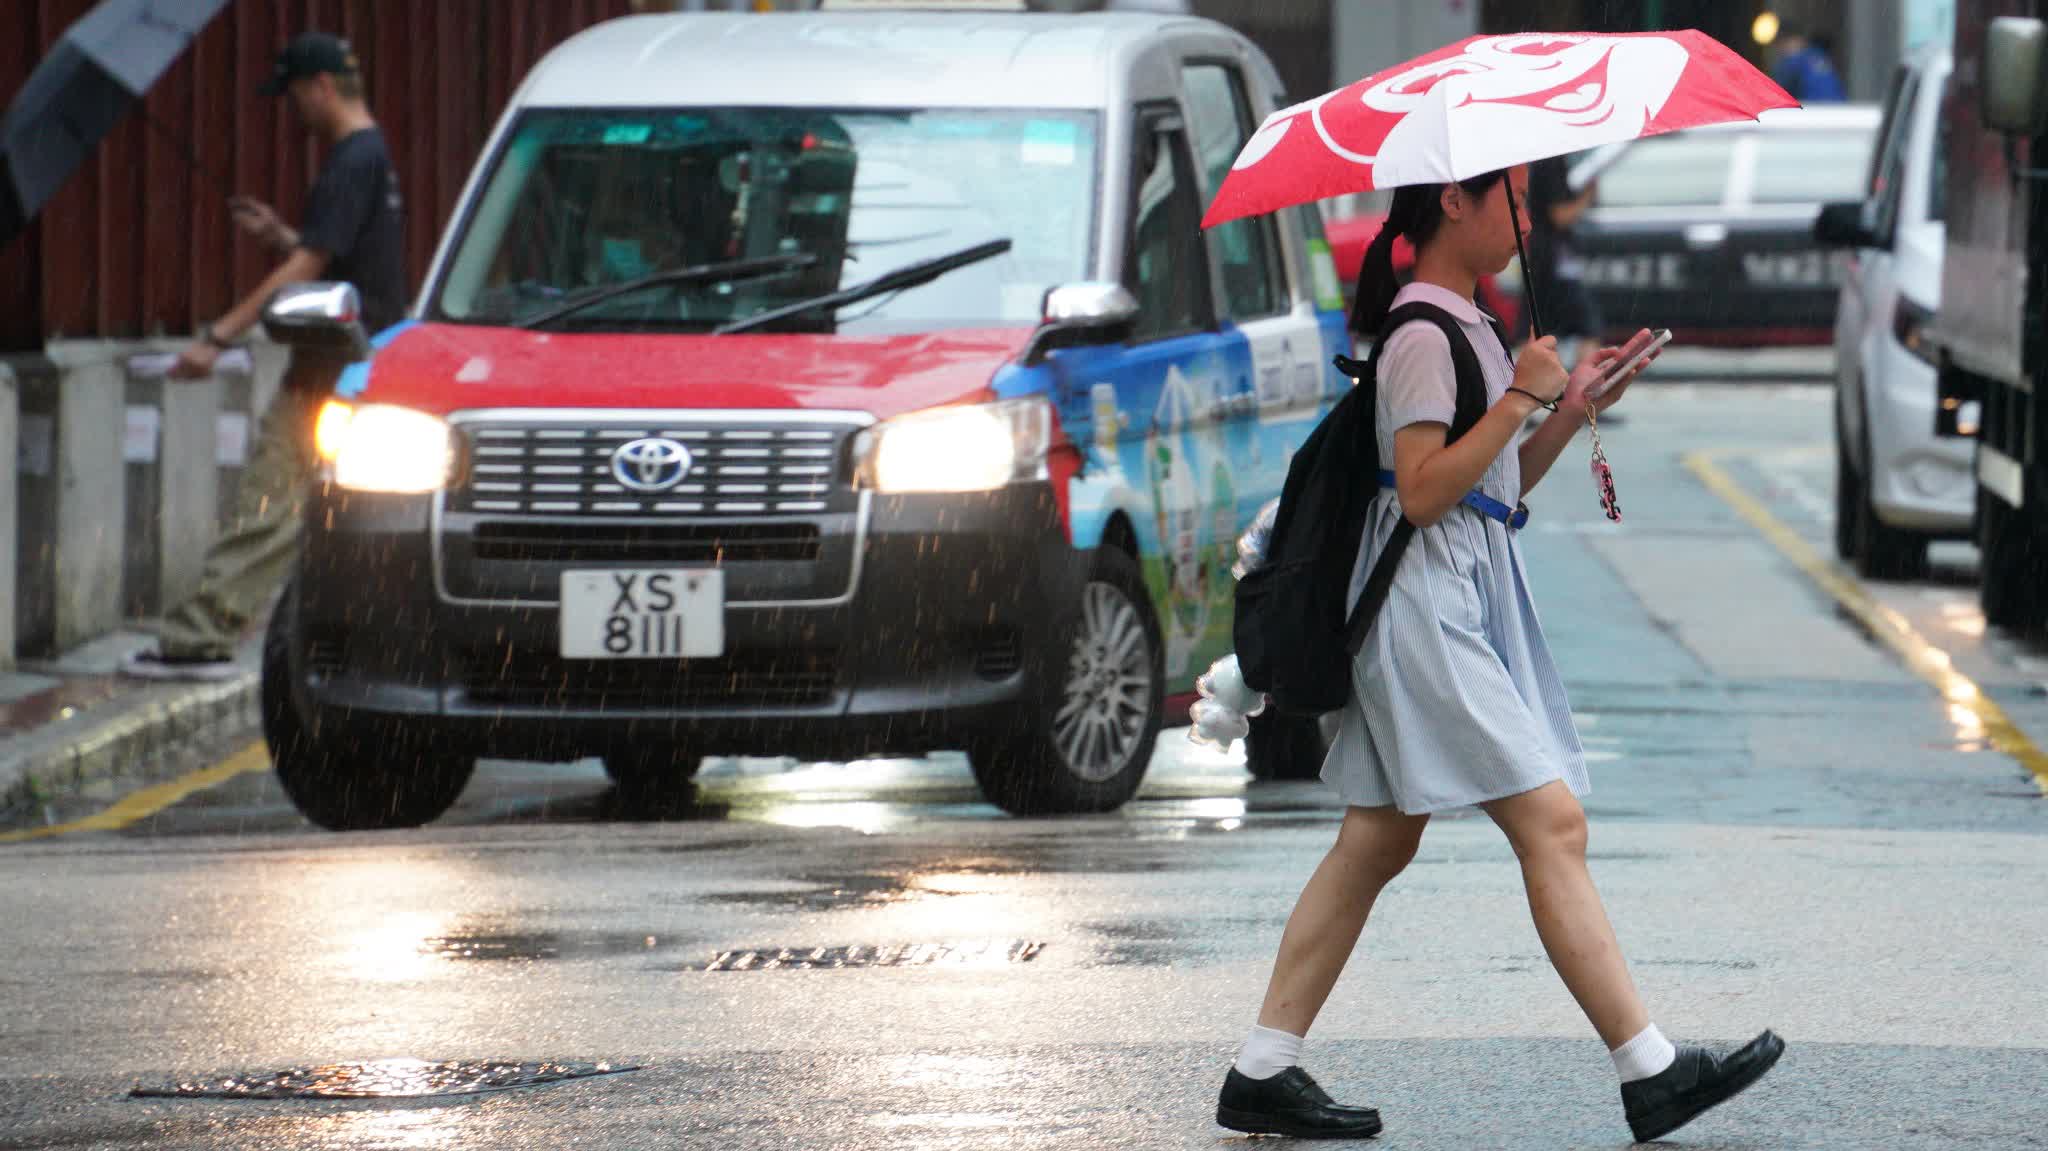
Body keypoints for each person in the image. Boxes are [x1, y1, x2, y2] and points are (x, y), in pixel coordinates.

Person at [1213, 168, 1783, 1143]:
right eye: (1507, 196)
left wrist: (1563, 406)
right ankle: (1646, 1068)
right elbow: (1426, 488)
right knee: (1551, 822)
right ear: (1452, 204)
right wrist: (1521, 391)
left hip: (1448, 600)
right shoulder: (1421, 336)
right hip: (1419, 615)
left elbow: (1494, 488)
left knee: (1376, 839)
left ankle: (1260, 1066)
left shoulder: (1469, 325)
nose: (1522, 217)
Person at [121, 32, 405, 681]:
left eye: (294, 96)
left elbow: (310, 265)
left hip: (324, 374)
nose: (293, 111)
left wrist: (217, 338)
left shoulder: (349, 161)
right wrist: (280, 232)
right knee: (321, 510)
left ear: (321, 87)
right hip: (359, 367)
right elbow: (334, 253)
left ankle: (198, 638)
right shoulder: (375, 154)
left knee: (267, 505)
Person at [1520, 154, 1602, 371]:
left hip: (1549, 261)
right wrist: (1587, 195)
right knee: (1587, 327)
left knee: (1542, 326)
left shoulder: (1547, 162)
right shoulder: (1550, 162)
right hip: (1555, 264)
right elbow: (1560, 215)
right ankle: (1584, 385)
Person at [1771, 28, 1847, 103]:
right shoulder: (1819, 55)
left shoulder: (1795, 60)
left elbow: (1777, 91)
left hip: (1813, 109)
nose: (1780, 49)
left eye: (1782, 43)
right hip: (1838, 108)